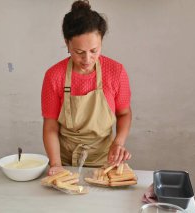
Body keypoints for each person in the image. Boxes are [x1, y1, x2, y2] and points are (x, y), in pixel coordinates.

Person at [41, 0, 132, 176]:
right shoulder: (54, 75)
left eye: (94, 50)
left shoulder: (115, 71)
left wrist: (118, 143)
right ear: (67, 43)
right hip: (66, 161)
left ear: (102, 41)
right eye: (79, 52)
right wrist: (56, 164)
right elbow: (50, 126)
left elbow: (124, 113)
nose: (87, 59)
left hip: (106, 161)